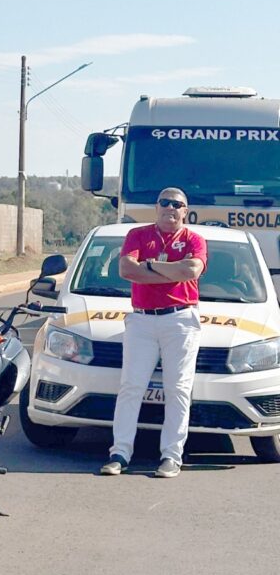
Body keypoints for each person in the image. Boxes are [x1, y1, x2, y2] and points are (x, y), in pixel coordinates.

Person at [101, 187, 206, 479]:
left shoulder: (194, 239)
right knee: (131, 386)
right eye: (165, 202)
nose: (170, 208)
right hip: (142, 321)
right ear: (156, 207)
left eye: (177, 204)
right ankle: (120, 452)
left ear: (186, 211)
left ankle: (171, 456)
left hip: (181, 320)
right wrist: (170, 270)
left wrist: (148, 266)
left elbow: (191, 271)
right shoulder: (137, 235)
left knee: (178, 389)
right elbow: (125, 269)